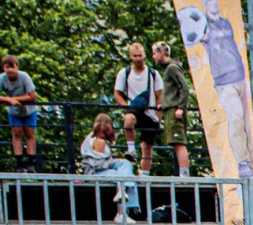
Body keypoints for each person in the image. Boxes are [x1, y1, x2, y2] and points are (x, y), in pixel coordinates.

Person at [196, 0, 253, 177]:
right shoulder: (204, 26)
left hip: (240, 78)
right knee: (236, 118)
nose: (214, 1)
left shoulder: (226, 23)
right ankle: (243, 163)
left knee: (247, 123)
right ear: (205, 3)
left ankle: (250, 164)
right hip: (225, 82)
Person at [78, 114, 141, 215]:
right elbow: (98, 165)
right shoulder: (100, 142)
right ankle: (122, 212)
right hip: (95, 173)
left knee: (126, 164)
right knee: (127, 177)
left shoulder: (93, 138)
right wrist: (115, 161)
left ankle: (121, 195)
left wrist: (117, 161)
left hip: (102, 170)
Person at [114, 41, 163, 170]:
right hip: (134, 109)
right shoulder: (125, 73)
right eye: (135, 56)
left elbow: (160, 96)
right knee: (128, 119)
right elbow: (117, 94)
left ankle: (145, 176)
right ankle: (131, 149)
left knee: (147, 148)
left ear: (144, 55)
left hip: (150, 112)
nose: (138, 59)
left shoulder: (153, 74)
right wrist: (126, 107)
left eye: (140, 56)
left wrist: (158, 117)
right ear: (130, 56)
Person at [0, 55, 41, 171]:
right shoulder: (2, 78)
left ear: (17, 67)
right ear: (3, 68)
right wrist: (8, 100)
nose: (10, 70)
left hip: (29, 110)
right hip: (13, 111)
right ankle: (19, 164)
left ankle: (31, 164)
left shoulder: (24, 77)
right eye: (7, 67)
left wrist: (14, 100)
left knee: (30, 133)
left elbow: (32, 96)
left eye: (12, 67)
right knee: (16, 133)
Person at [151, 41, 193, 176]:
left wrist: (180, 107)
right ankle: (182, 173)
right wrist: (163, 104)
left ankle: (184, 174)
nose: (153, 56)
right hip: (170, 109)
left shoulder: (172, 68)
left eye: (155, 53)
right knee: (175, 142)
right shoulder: (168, 68)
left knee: (179, 142)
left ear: (161, 53)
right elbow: (173, 90)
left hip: (175, 111)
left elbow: (184, 88)